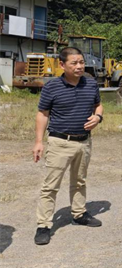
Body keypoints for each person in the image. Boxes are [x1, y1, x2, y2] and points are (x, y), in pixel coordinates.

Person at [32, 47, 104, 245]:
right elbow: (42, 114)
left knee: (80, 181)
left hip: (84, 142)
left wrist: (98, 117)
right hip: (60, 142)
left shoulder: (90, 83)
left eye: (81, 62)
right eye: (74, 63)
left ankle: (79, 213)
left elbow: (98, 105)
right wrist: (38, 141)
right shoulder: (52, 87)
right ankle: (44, 225)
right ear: (62, 65)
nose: (79, 66)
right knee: (50, 186)